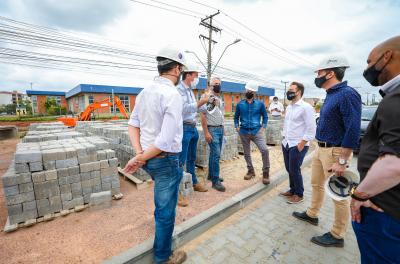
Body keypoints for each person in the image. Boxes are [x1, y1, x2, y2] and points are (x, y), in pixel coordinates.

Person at [123, 46, 187, 264]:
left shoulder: (144, 92)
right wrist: (139, 157)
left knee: (162, 203)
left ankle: (161, 246)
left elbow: (132, 125)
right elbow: (165, 141)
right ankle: (162, 258)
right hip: (165, 160)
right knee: (165, 210)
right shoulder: (172, 94)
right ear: (177, 69)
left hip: (150, 160)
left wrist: (140, 154)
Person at [292, 56, 362, 247]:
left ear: (331, 73)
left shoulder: (347, 94)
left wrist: (342, 160)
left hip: (335, 152)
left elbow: (353, 129)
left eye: (320, 73)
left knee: (339, 195)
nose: (317, 76)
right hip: (320, 149)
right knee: (316, 184)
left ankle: (337, 235)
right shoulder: (331, 94)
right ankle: (312, 214)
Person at [351, 36, 400, 263]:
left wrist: (359, 194)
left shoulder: (396, 98)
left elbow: (394, 164)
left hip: (383, 211)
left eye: (370, 61)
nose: (368, 68)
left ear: (387, 56)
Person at [177, 61, 209, 206]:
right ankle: (176, 193)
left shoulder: (190, 90)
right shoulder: (179, 90)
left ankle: (194, 182)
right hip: (184, 127)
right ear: (188, 75)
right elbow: (184, 109)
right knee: (180, 161)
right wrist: (200, 102)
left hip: (192, 127)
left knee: (191, 158)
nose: (197, 78)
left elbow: (195, 109)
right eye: (196, 75)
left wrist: (206, 103)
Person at [281, 82, 316, 204]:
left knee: (295, 169)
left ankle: (299, 194)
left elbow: (311, 129)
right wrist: (283, 138)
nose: (288, 92)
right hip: (286, 143)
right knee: (289, 168)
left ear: (299, 92)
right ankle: (292, 189)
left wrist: (302, 143)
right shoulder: (289, 107)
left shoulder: (306, 107)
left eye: (291, 90)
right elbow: (287, 125)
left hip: (298, 144)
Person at [234, 81, 270, 184]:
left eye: (250, 90)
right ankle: (250, 171)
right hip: (244, 132)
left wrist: (263, 127)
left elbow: (265, 117)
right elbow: (236, 117)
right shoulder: (240, 104)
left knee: (264, 150)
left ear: (254, 92)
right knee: (246, 153)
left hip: (257, 132)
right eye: (247, 90)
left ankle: (266, 173)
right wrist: (237, 127)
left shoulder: (260, 104)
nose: (248, 92)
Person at [199, 76, 226, 192]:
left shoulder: (218, 97)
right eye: (215, 83)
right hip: (212, 130)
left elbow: (220, 113)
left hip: (219, 129)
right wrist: (206, 132)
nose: (218, 85)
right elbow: (203, 115)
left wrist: (223, 128)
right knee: (216, 155)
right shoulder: (206, 97)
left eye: (219, 83)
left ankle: (211, 175)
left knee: (214, 155)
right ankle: (215, 181)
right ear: (210, 85)